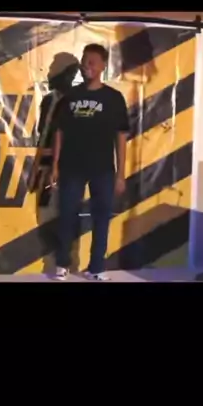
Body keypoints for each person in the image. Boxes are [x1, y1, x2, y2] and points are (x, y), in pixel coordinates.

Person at [51, 43, 129, 282]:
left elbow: (121, 136)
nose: (87, 66)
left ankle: (96, 267)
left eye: (93, 61)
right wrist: (54, 165)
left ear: (104, 65)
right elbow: (59, 132)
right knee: (67, 215)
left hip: (103, 169)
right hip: (71, 167)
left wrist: (120, 174)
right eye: (85, 61)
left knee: (102, 218)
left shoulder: (114, 98)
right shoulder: (70, 97)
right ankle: (62, 264)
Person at [29, 55, 80, 275]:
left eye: (54, 69)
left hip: (68, 171)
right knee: (45, 219)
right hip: (45, 170)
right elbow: (44, 135)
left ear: (68, 74)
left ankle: (68, 266)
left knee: (67, 219)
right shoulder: (49, 101)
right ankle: (52, 266)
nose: (49, 73)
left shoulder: (77, 101)